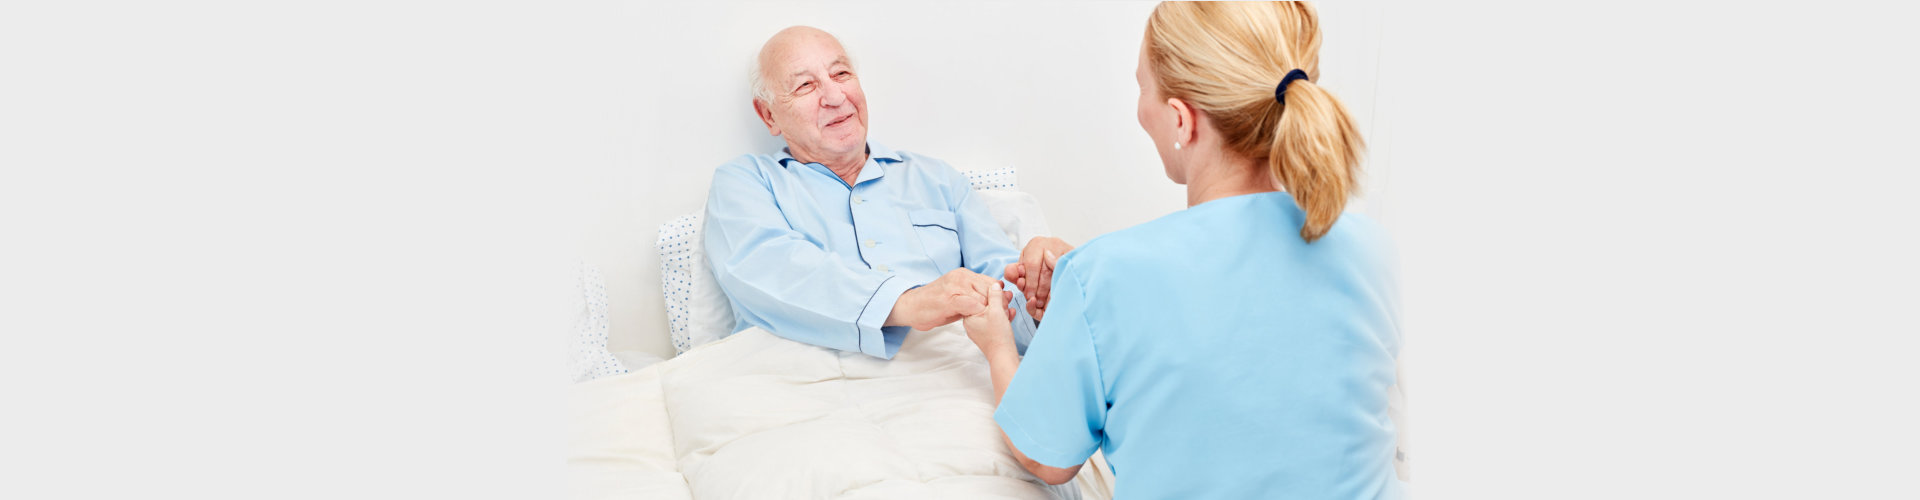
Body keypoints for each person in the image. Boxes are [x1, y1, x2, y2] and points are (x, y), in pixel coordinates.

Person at [960, 2, 1407, 498]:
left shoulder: (1105, 278)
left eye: (1141, 88)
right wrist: (1085, 296)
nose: (1138, 108)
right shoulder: (1375, 250)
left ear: (1181, 120)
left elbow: (1044, 457)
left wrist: (999, 344)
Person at [703, 26, 1075, 359]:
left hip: (945, 370)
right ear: (768, 115)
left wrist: (1046, 290)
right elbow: (773, 270)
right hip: (794, 374)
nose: (835, 96)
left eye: (841, 73)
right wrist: (904, 303)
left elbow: (1004, 296)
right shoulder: (744, 182)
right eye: (806, 85)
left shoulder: (937, 179)